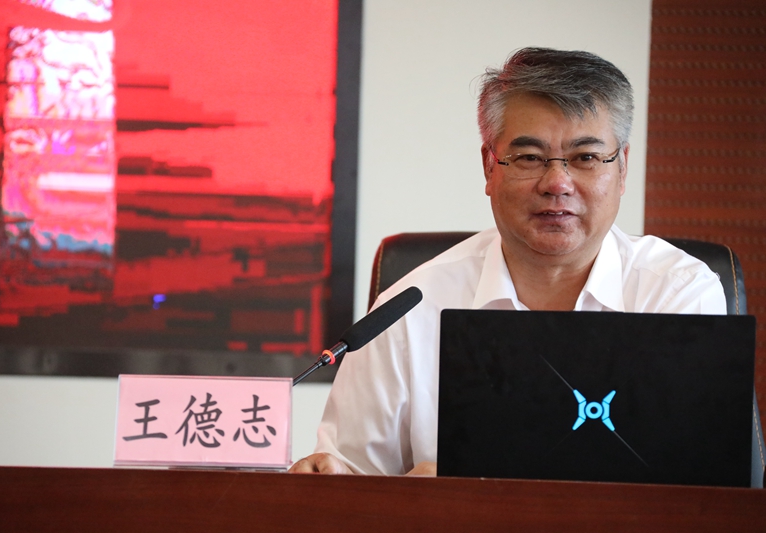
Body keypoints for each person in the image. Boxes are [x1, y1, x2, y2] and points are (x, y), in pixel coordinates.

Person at [289, 47, 726, 476]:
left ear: (622, 167)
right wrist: (347, 482)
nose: (557, 183)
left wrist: (459, 487)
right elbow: (351, 477)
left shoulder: (676, 294)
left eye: (586, 158)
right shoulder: (409, 310)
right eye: (530, 158)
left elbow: (696, 486)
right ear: (489, 166)